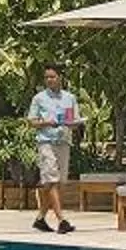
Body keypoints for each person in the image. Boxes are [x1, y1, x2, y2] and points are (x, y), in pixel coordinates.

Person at [27, 66, 82, 232]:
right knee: (51, 180)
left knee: (57, 183)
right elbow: (32, 121)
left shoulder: (69, 98)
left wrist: (71, 123)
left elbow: (74, 121)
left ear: (60, 77)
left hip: (63, 142)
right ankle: (62, 220)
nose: (49, 80)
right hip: (46, 142)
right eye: (46, 77)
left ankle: (40, 219)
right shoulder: (39, 98)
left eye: (52, 76)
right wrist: (46, 122)